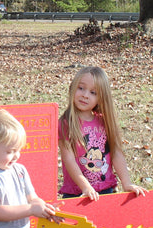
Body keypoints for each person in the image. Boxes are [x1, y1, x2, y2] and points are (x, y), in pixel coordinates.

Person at [58, 65, 147, 201]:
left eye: (93, 92)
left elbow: (116, 153)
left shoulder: (104, 121)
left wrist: (127, 182)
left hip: (106, 190)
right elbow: (68, 159)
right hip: (77, 193)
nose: (85, 95)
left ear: (101, 98)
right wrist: (85, 187)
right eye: (81, 88)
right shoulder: (65, 123)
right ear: (72, 88)